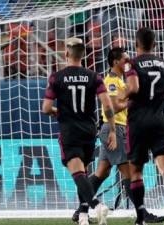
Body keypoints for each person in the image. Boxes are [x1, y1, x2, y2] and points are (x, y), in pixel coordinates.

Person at [71, 47, 164, 224]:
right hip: (115, 129)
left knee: (101, 173)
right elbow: (113, 107)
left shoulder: (120, 80)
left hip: (115, 129)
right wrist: (133, 102)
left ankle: (81, 209)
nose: (128, 62)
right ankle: (142, 214)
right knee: (129, 174)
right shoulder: (111, 81)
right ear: (115, 62)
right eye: (125, 59)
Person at [42, 37, 115, 225]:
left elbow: (46, 108)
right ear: (83, 55)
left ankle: (97, 205)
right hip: (89, 130)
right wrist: (112, 129)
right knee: (84, 172)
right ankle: (83, 216)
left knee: (78, 174)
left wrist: (59, 112)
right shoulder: (94, 77)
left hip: (70, 130)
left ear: (66, 53)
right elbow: (107, 104)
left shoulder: (56, 77)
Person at [119, 27, 164, 225]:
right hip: (160, 121)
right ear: (154, 44)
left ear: (136, 44)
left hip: (138, 121)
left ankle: (140, 219)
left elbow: (133, 88)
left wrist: (120, 96)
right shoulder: (163, 64)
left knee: (136, 171)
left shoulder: (130, 63)